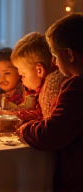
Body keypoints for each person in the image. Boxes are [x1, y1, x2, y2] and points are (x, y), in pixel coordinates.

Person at [17, 13, 83, 191]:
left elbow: (51, 134)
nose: (53, 61)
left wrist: (23, 129)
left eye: (54, 55)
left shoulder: (77, 87)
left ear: (69, 54)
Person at [11, 32, 65, 122]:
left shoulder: (51, 86)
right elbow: (38, 115)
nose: (21, 80)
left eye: (23, 75)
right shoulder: (46, 83)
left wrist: (22, 129)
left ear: (39, 70)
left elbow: (49, 127)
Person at [0, 47, 37, 116]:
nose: (1, 79)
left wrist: (0, 112)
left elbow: (33, 115)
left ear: (19, 71)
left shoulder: (29, 91)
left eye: (7, 73)